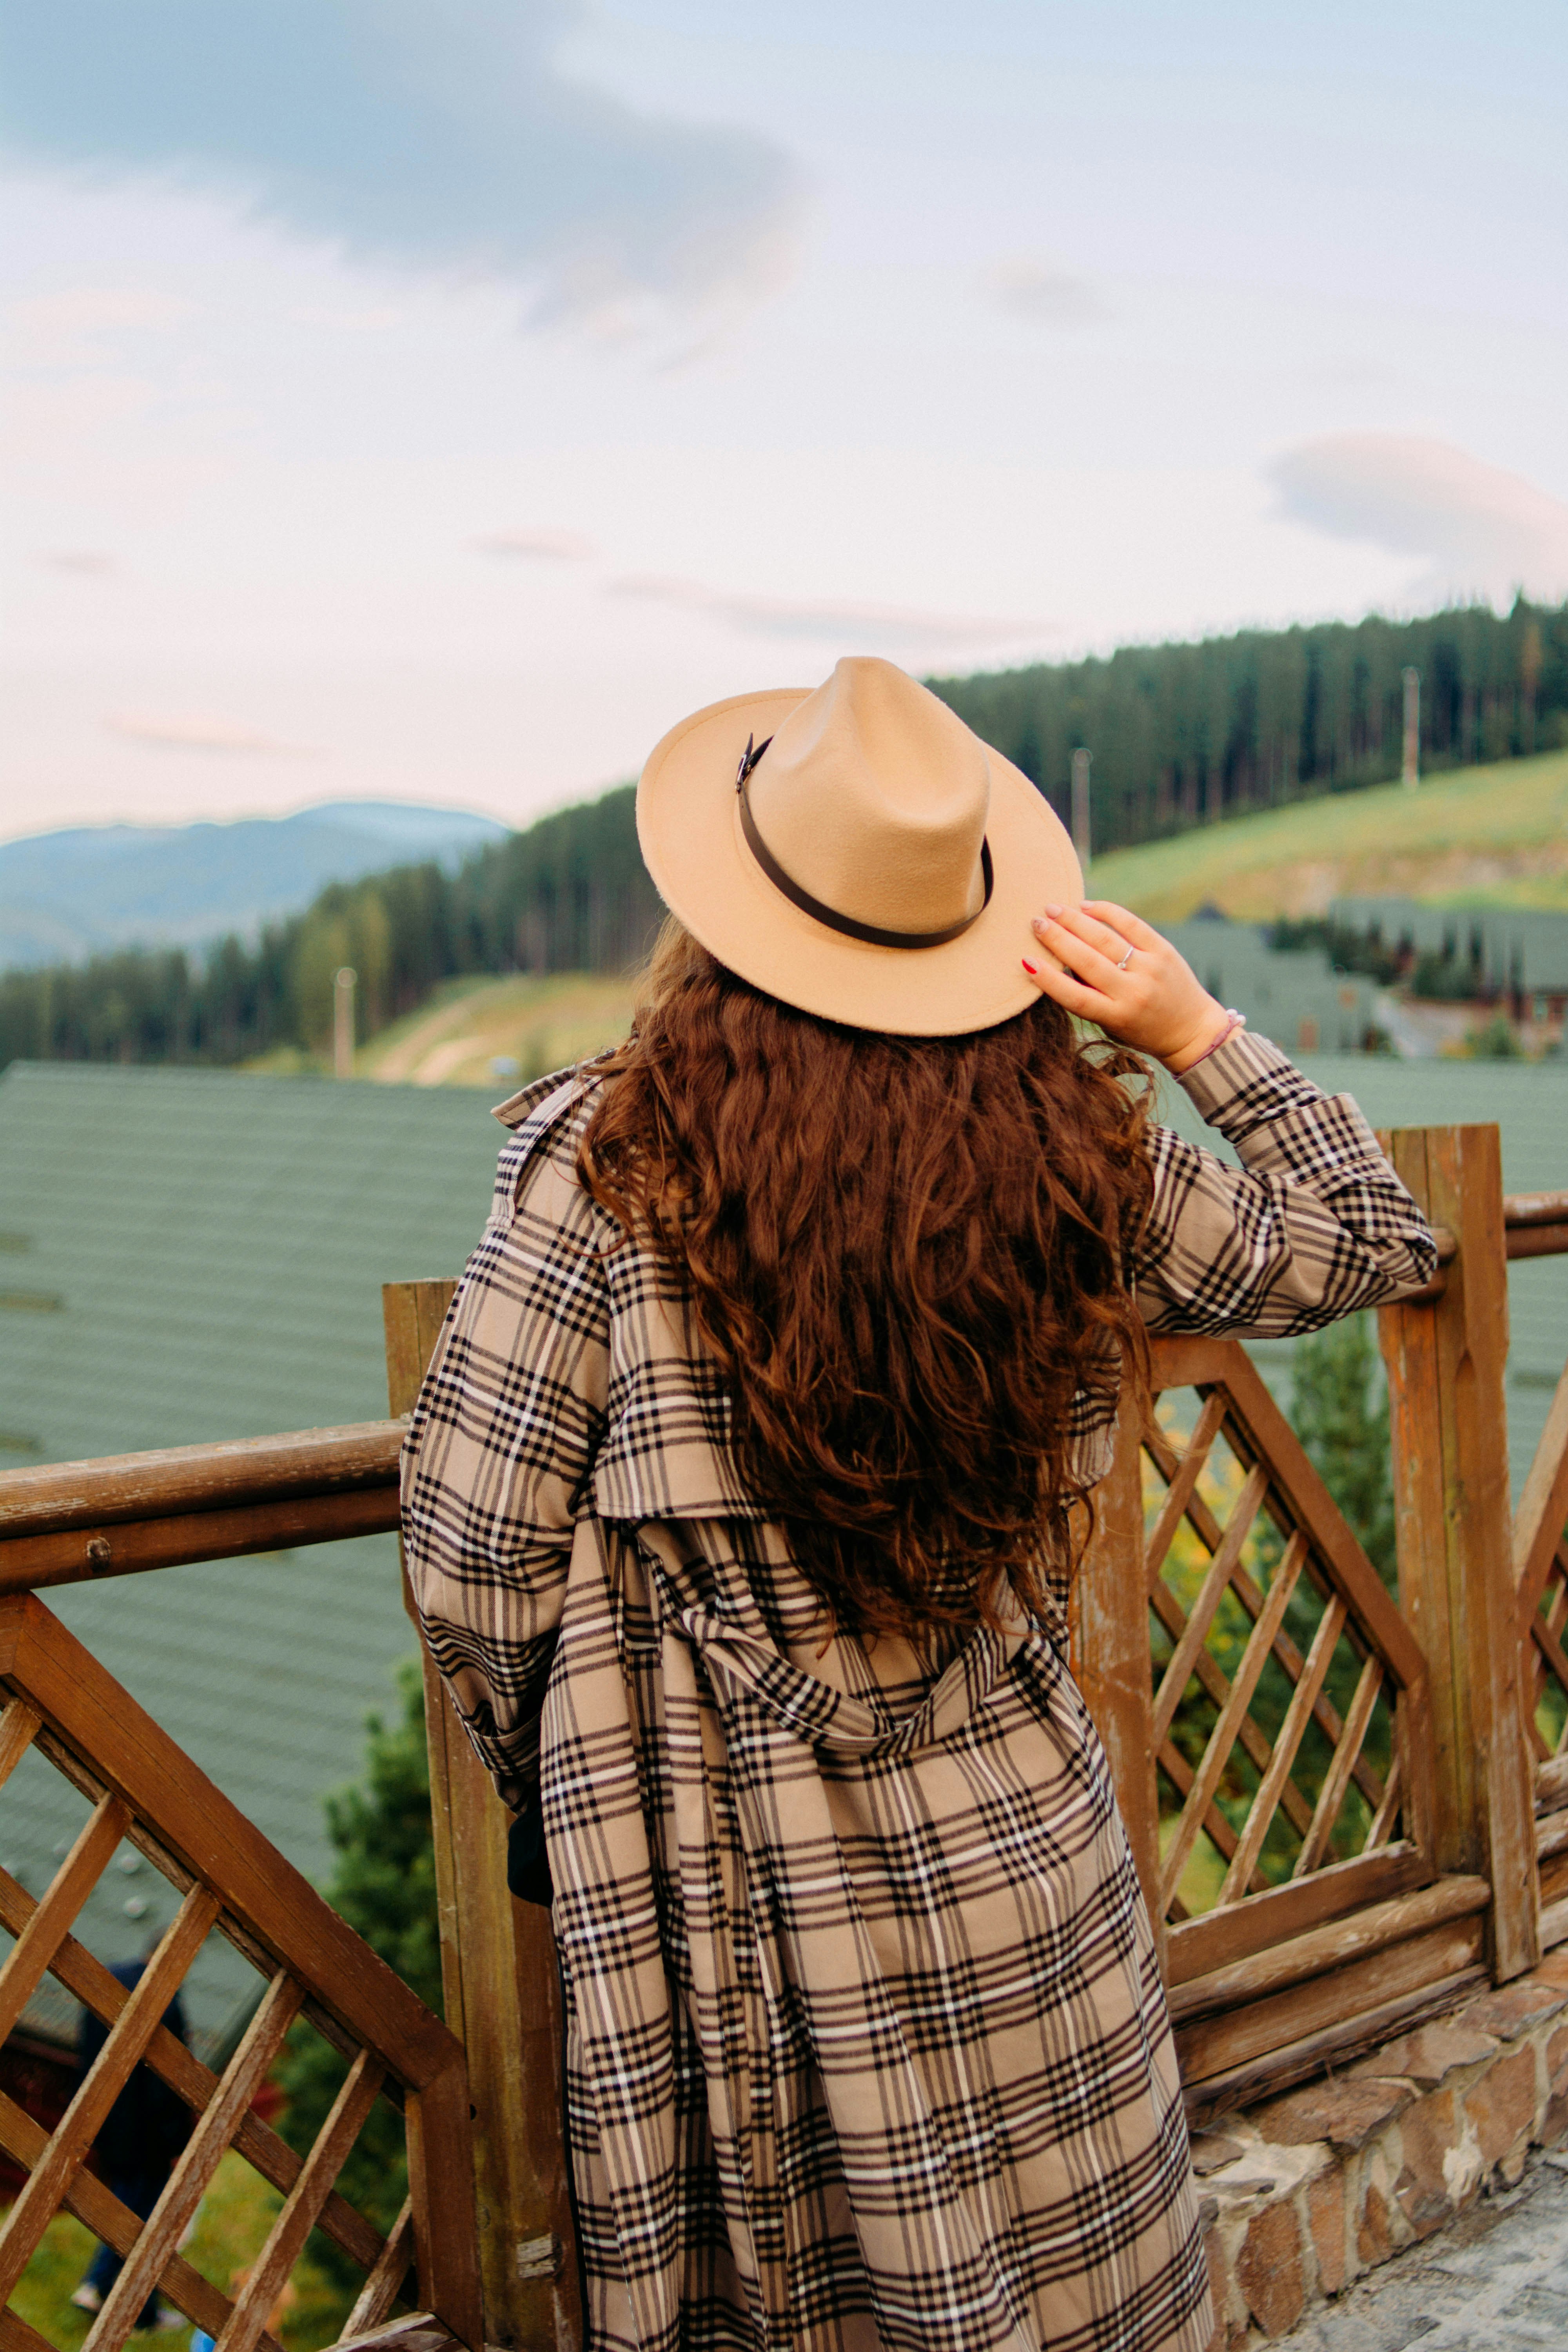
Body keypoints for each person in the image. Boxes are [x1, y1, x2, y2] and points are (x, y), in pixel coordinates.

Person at [401, 658, 1435, 2352]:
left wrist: (572, 1777)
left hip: (736, 1887)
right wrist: (1197, 1034)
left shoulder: (609, 1163)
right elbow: (1370, 1241)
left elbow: (472, 1555)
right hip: (1019, 1832)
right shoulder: (1067, 1149)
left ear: (723, 916)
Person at [71, 1957, 192, 2330]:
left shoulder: (108, 1988)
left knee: (129, 2205)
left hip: (107, 2122)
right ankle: (117, 2297)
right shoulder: (163, 2002)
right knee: (146, 2221)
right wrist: (177, 2138)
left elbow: (85, 2057)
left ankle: (107, 2290)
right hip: (149, 2136)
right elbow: (167, 2083)